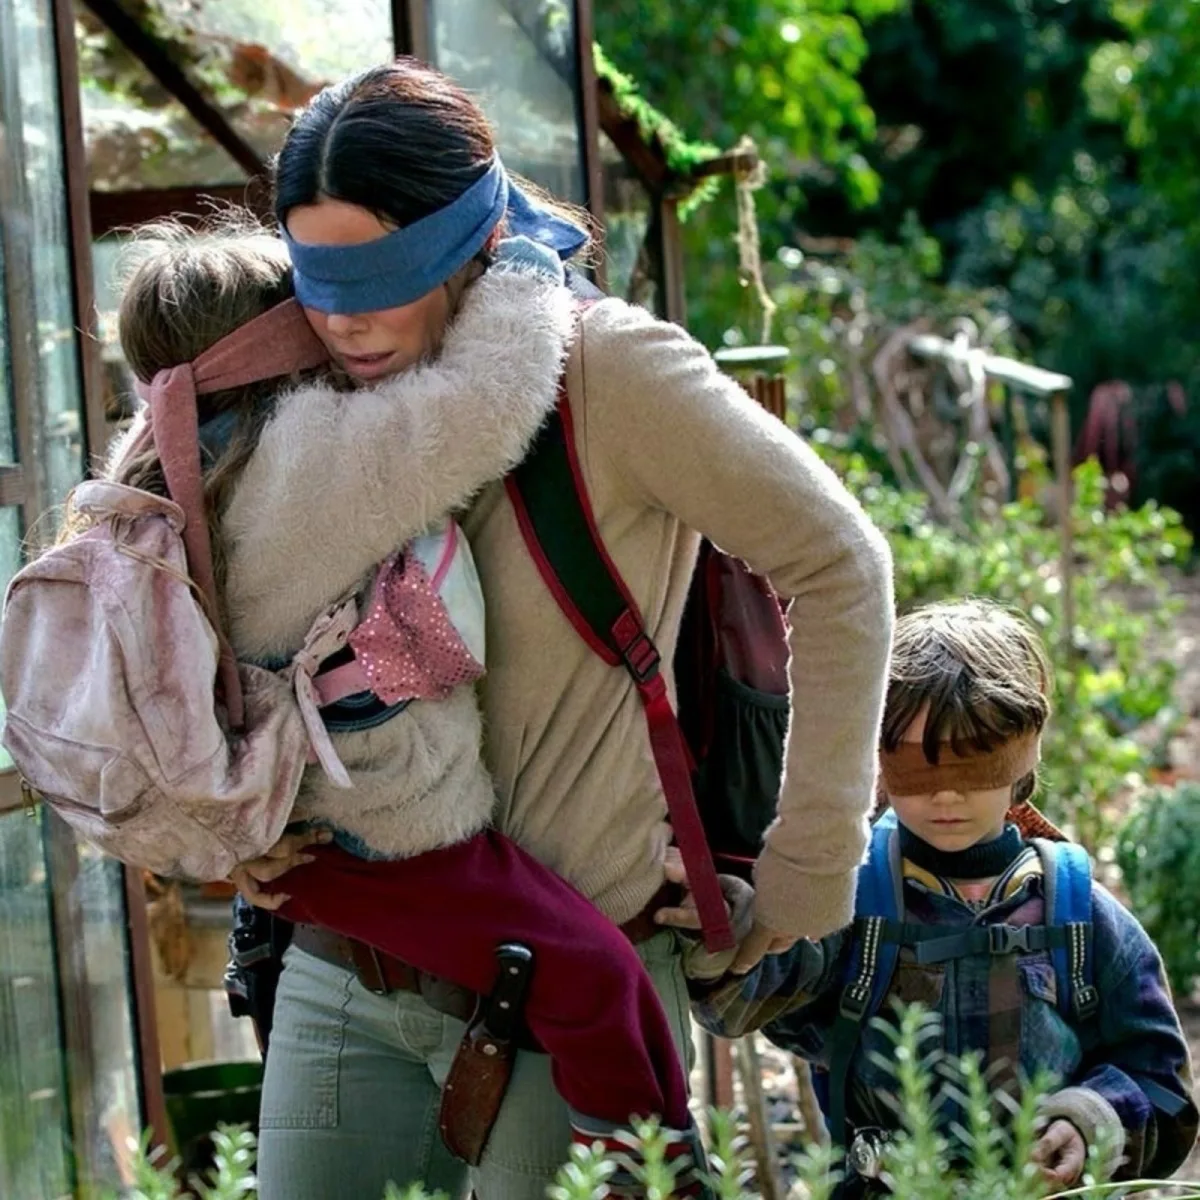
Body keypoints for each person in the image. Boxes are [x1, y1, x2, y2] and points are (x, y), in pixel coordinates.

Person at [232, 58, 895, 1200]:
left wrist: (809, 869)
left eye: (382, 275)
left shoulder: (607, 370)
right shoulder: (301, 373)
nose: (343, 319)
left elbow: (842, 562)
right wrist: (213, 818)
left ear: (469, 238)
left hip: (573, 985)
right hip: (345, 970)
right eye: (318, 279)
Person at [105, 222, 718, 1186]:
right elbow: (485, 407)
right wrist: (523, 270)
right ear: (276, 340)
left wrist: (215, 836)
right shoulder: (302, 463)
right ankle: (649, 1163)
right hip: (389, 834)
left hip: (298, 842)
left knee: (578, 970)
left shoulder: (149, 472)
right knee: (597, 977)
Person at [675, 599, 1198, 1196]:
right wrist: (725, 926)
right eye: (916, 764)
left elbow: (1164, 1087)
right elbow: (740, 1002)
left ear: (1023, 757)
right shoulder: (846, 904)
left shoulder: (1081, 917)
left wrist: (1089, 1120)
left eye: (974, 760)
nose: (945, 794)